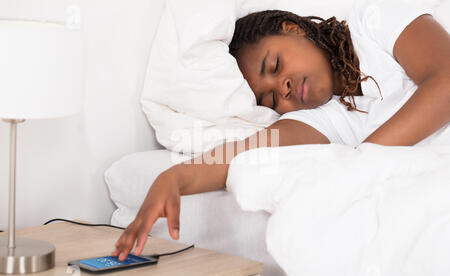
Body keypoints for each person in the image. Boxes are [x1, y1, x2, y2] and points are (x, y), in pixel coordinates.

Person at [112, 0, 450, 261]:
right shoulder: (323, 118)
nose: (283, 88)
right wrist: (174, 178)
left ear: (294, 29)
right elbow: (249, 151)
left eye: (275, 66)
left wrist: (362, 159)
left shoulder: (374, 17)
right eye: (271, 98)